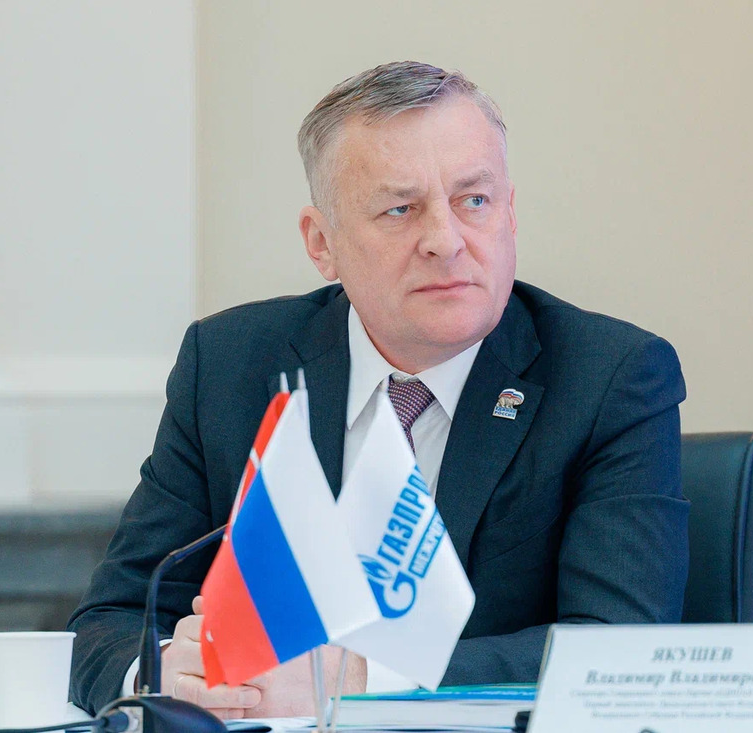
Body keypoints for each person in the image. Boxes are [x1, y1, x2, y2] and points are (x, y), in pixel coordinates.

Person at [68, 61, 689, 719]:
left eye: (474, 201)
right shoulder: (229, 366)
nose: (446, 242)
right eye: (400, 209)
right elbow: (111, 621)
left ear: (510, 213)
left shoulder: (608, 377)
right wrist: (168, 670)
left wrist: (358, 679)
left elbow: (619, 650)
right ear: (322, 244)